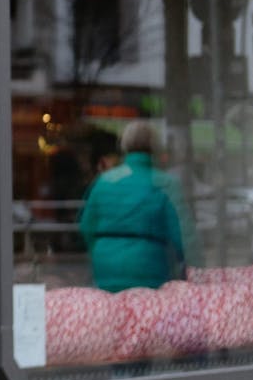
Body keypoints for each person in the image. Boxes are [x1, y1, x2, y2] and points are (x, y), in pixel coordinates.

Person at [78, 121, 188, 292]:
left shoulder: (104, 181)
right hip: (149, 268)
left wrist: (102, 251)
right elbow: (183, 234)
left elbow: (86, 225)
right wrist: (196, 270)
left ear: (124, 146)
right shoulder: (165, 183)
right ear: (155, 148)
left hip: (105, 267)